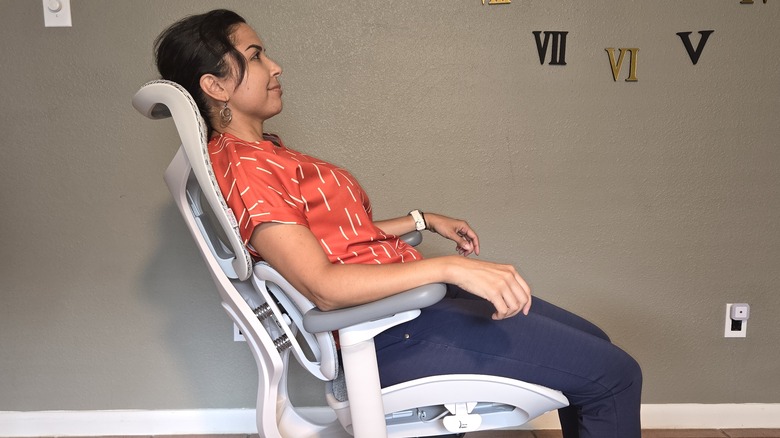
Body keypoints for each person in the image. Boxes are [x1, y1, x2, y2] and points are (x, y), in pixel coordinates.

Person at [154, 9, 642, 438]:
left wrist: (422, 219)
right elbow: (323, 285)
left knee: (597, 348)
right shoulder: (247, 168)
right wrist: (450, 270)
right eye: (256, 55)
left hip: (407, 315)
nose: (275, 65)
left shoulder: (263, 154)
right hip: (394, 332)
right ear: (215, 86)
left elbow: (337, 239)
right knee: (614, 375)